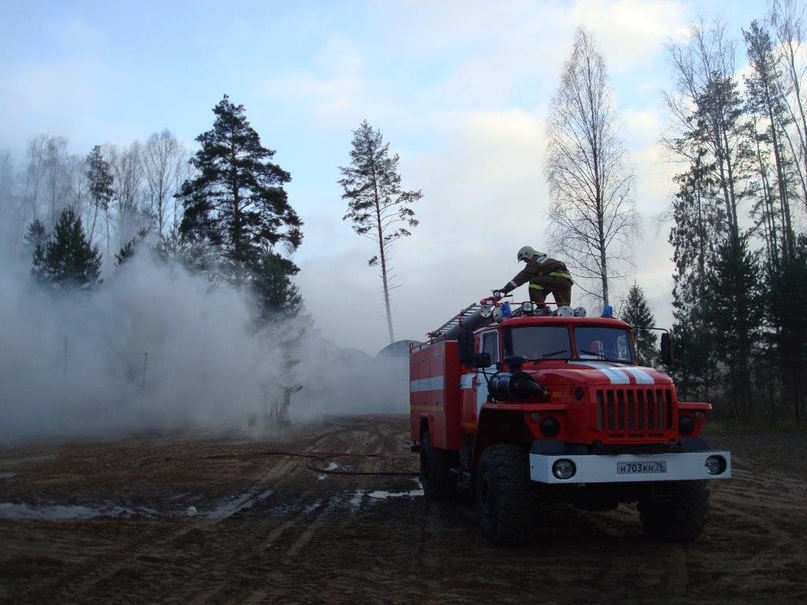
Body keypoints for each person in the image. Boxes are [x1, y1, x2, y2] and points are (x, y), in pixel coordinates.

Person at [497, 246, 573, 308]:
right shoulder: (543, 260)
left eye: (524, 259)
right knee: (564, 309)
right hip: (566, 281)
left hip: (557, 279)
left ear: (528, 254)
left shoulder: (534, 261)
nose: (525, 261)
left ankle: (540, 307)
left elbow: (522, 277)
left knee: (534, 282)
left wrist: (505, 290)